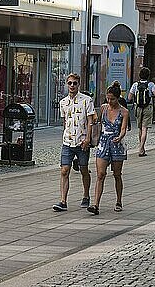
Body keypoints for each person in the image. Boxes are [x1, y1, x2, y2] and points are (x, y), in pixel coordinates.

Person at [53, 73, 95, 212]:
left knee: (83, 169)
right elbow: (65, 121)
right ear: (66, 84)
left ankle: (86, 195)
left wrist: (88, 139)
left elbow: (90, 121)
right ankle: (63, 201)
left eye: (74, 83)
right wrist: (65, 135)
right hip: (68, 141)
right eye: (70, 83)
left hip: (82, 141)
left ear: (79, 84)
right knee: (64, 170)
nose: (72, 86)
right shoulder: (63, 102)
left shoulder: (87, 100)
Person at [87, 81, 129, 215]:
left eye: (113, 99)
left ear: (118, 98)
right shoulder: (104, 108)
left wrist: (120, 137)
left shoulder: (124, 111)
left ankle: (118, 201)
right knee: (100, 174)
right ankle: (95, 204)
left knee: (117, 174)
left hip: (117, 143)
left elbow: (123, 129)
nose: (110, 101)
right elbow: (97, 122)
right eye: (108, 98)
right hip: (103, 142)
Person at [128, 67, 155, 157]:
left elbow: (129, 97)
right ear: (148, 76)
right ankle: (141, 148)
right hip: (148, 107)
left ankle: (142, 148)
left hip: (138, 107)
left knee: (140, 128)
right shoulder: (151, 85)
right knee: (144, 128)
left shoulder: (135, 85)